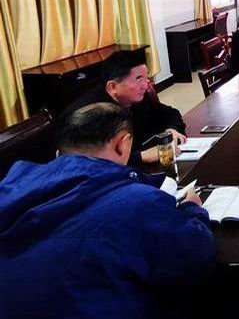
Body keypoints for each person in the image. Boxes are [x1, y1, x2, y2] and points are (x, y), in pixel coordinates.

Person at [0, 103, 216, 319]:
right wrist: (192, 209)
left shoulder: (13, 181)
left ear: (60, 149)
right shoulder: (137, 200)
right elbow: (196, 256)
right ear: (123, 144)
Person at [61, 50, 186, 168]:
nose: (146, 85)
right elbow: (89, 162)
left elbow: (171, 114)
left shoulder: (137, 98)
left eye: (146, 76)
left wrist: (171, 130)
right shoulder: (90, 115)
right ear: (113, 86)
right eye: (138, 78)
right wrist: (140, 157)